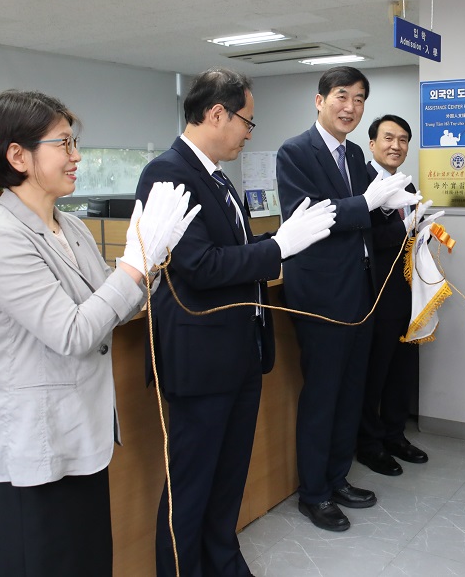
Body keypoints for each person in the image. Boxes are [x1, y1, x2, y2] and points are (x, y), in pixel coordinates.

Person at [0, 90, 199, 577]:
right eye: (64, 144)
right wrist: (132, 267)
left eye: (74, 143)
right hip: (35, 450)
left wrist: (152, 260)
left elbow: (114, 307)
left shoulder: (70, 227)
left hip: (83, 440)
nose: (77, 157)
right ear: (18, 156)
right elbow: (73, 332)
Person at [135, 69, 335, 577]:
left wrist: (278, 242)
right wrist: (278, 247)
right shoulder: (168, 173)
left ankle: (224, 562)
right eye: (247, 121)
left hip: (239, 352)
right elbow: (199, 266)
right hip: (200, 359)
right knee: (192, 484)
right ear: (217, 114)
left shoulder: (217, 176)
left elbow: (234, 251)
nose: (249, 133)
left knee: (227, 479)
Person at [276, 67, 420, 532]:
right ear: (320, 100)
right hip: (321, 296)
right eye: (342, 96)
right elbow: (311, 217)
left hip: (361, 292)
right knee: (323, 396)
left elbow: (365, 222)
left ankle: (337, 478)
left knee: (350, 393)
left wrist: (397, 213)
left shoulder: (355, 153)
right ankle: (313, 493)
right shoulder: (295, 152)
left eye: (359, 99)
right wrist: (369, 203)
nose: (350, 107)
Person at [356, 114, 440, 476]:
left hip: (408, 291)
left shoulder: (406, 183)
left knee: (402, 368)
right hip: (376, 293)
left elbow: (408, 236)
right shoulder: (361, 183)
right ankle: (369, 443)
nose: (396, 145)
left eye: (403, 139)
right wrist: (405, 228)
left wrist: (422, 232)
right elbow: (365, 239)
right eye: (388, 138)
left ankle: (394, 434)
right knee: (374, 371)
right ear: (372, 143)